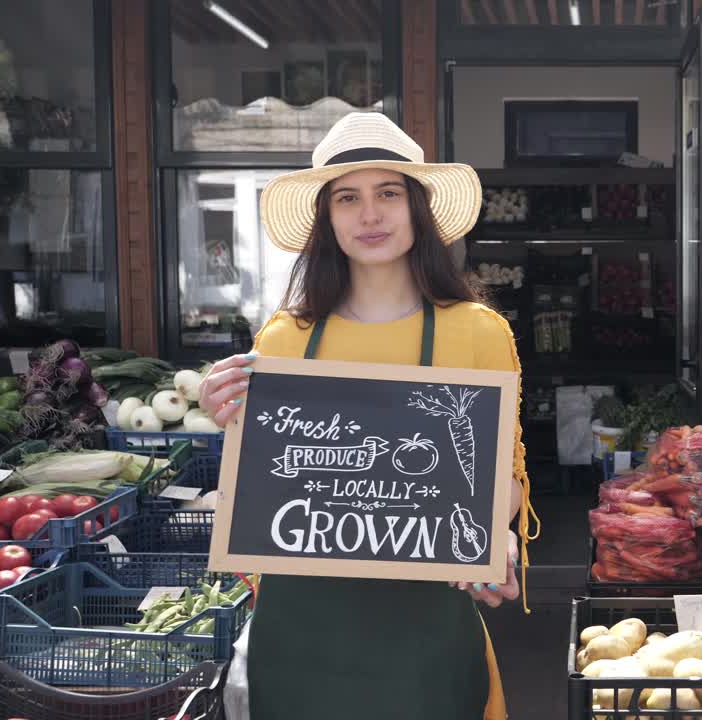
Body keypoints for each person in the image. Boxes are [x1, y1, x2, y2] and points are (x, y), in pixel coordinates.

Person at [197, 112, 538, 720]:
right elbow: (261, 486)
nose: (370, 215)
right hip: (303, 634)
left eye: (389, 193)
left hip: (426, 632)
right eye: (347, 198)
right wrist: (225, 416)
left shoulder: (477, 332)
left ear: (418, 210)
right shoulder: (284, 339)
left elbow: (503, 478)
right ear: (327, 220)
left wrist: (491, 536)